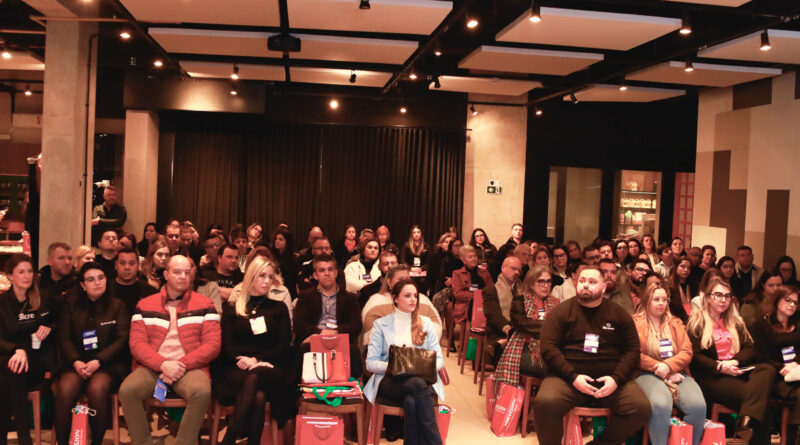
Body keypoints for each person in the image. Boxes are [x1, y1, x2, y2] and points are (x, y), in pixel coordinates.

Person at [534, 266, 651, 445]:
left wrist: (616, 379)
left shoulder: (618, 313)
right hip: (568, 379)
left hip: (610, 380)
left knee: (640, 408)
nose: (585, 285)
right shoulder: (562, 312)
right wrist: (573, 377)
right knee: (545, 402)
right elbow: (548, 348)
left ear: (603, 288)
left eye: (592, 282)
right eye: (582, 281)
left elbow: (632, 350)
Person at [119, 255, 221, 445]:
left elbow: (212, 345)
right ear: (166, 275)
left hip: (190, 367)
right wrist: (163, 364)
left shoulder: (205, 305)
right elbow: (137, 344)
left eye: (187, 272)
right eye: (177, 272)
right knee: (127, 390)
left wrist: (180, 365)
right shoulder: (144, 305)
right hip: (153, 367)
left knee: (201, 391)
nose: (183, 276)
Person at [213, 257, 295, 445]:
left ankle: (231, 435)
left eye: (270, 277)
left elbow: (284, 345)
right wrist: (245, 361)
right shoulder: (233, 308)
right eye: (262, 276)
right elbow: (227, 345)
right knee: (258, 395)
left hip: (269, 367)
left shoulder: (278, 308)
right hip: (237, 367)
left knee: (256, 376)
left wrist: (257, 360)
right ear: (251, 277)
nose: (267, 281)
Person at [687, 276, 775, 444]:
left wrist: (734, 362)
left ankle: (745, 420)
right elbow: (695, 357)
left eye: (727, 296)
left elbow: (751, 349)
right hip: (714, 376)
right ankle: (745, 421)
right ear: (708, 297)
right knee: (764, 407)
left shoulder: (736, 321)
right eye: (718, 295)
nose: (723, 300)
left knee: (767, 369)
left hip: (737, 369)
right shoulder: (696, 322)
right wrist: (720, 367)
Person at [54, 262, 131, 445]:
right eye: (91, 279)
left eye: (101, 278)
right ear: (82, 285)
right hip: (76, 363)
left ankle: (96, 442)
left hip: (109, 364)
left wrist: (98, 361)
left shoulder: (117, 305)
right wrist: (76, 362)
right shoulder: (71, 304)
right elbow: (64, 338)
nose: (97, 283)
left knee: (97, 388)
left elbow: (122, 339)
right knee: (65, 388)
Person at [363, 279, 445, 445]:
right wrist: (400, 366)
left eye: (415, 295)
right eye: (407, 296)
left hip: (419, 382)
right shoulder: (381, 325)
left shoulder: (426, 324)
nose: (413, 299)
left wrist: (419, 368)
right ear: (395, 298)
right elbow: (371, 363)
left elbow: (440, 360)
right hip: (390, 381)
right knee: (418, 384)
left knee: (412, 401)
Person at [633, 282, 706, 445]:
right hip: (646, 373)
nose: (661, 303)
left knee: (698, 406)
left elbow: (687, 351)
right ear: (646, 301)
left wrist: (669, 366)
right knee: (660, 404)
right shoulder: (635, 323)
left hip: (677, 372)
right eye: (656, 299)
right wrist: (659, 367)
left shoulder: (676, 323)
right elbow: (634, 354)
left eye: (664, 299)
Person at [0, 254, 56, 445]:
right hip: (10, 355)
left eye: (30, 271)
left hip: (37, 358)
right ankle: (24, 438)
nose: (27, 276)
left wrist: (50, 328)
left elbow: (59, 322)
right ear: (9, 276)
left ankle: (18, 436)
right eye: (21, 272)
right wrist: (16, 349)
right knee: (13, 370)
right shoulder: (2, 302)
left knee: (11, 373)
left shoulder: (44, 296)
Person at [293, 254, 363, 378]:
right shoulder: (305, 296)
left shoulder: (350, 298)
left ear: (336, 273)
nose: (327, 273)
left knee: (354, 351)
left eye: (330, 269)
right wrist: (320, 333)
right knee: (304, 350)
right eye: (322, 270)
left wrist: (335, 332)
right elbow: (299, 324)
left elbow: (356, 325)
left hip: (339, 339)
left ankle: (352, 390)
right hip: (313, 338)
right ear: (315, 275)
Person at [494, 265, 559, 393]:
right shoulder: (520, 300)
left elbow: (561, 327)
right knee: (555, 369)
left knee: (562, 366)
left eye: (548, 281)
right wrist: (550, 327)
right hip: (524, 349)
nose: (545, 285)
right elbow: (522, 323)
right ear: (531, 282)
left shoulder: (555, 303)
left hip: (549, 350)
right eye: (541, 281)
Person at [749, 286, 800, 444]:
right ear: (777, 300)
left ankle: (790, 437)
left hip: (796, 371)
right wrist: (782, 368)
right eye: (788, 300)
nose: (792, 305)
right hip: (773, 374)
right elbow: (762, 356)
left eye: (796, 303)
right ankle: (790, 438)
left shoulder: (798, 325)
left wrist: (796, 364)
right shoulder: (761, 324)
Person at [361, 264, 441, 349]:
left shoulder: (423, 300)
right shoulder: (376, 301)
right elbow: (372, 330)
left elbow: (436, 325)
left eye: (407, 279)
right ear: (389, 282)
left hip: (420, 351)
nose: (405, 282)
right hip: (386, 354)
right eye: (400, 279)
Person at [482, 257, 523, 364]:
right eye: (514, 268)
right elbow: (493, 314)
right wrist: (507, 329)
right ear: (503, 268)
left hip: (520, 330)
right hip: (499, 331)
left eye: (519, 270)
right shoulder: (491, 290)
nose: (517, 272)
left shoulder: (523, 291)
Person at [451, 245, 493, 327]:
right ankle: (471, 338)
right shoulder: (457, 273)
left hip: (485, 303)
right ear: (464, 260)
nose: (474, 258)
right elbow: (458, 294)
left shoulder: (484, 272)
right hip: (466, 305)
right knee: (473, 313)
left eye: (475, 256)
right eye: (470, 257)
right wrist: (477, 296)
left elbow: (491, 289)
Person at [110, 248, 158, 315]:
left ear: (138, 266)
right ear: (116, 265)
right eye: (122, 263)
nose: (127, 267)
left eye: (132, 264)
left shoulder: (151, 293)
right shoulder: (105, 290)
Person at [38, 242, 78, 316]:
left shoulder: (78, 283)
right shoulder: (39, 282)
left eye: (70, 258)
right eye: (61, 258)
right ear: (50, 261)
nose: (67, 262)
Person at [269, 228, 298, 301]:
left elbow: (292, 280)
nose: (277, 241)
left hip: (288, 290)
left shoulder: (294, 259)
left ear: (287, 242)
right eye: (276, 239)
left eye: (280, 239)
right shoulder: (271, 256)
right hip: (273, 289)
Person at [668, 256, 694, 322]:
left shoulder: (691, 285)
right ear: (676, 267)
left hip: (690, 319)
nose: (686, 270)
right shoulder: (669, 285)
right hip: (674, 320)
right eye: (683, 266)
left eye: (688, 268)